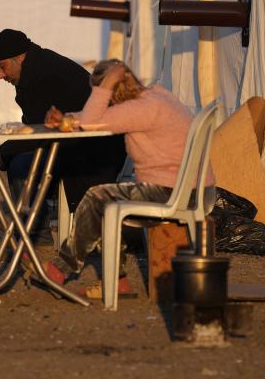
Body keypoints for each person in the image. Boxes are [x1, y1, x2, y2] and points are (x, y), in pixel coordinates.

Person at [42, 59, 193, 296]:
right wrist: (66, 120)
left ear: (112, 90)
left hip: (171, 191)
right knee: (105, 201)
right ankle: (118, 283)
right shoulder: (155, 96)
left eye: (102, 94)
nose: (105, 102)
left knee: (97, 198)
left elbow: (93, 121)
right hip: (185, 188)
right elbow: (97, 119)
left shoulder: (141, 109)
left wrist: (104, 86)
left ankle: (62, 267)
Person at [0, 29, 127, 235]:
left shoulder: (45, 75)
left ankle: (34, 231)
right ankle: (36, 223)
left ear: (20, 58)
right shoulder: (35, 69)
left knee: (20, 164)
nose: (0, 75)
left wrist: (3, 154)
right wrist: (4, 151)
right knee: (19, 158)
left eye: (1, 66)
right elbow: (35, 126)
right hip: (81, 144)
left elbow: (40, 131)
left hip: (95, 151)